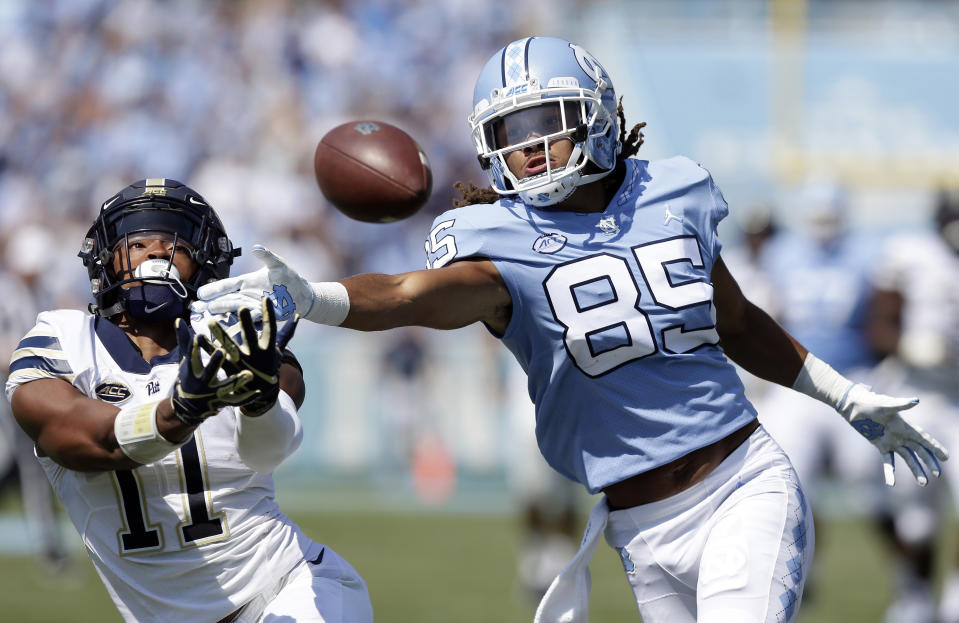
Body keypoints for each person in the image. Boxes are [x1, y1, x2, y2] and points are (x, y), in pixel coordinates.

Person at [194, 37, 946, 623]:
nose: (525, 147)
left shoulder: (674, 190)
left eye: (542, 124)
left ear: (598, 114)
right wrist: (314, 298)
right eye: (507, 132)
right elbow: (408, 293)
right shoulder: (495, 238)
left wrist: (844, 396)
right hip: (638, 521)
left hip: (741, 483)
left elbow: (738, 321)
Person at [6, 179, 373, 623]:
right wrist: (181, 410)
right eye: (138, 242)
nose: (156, 254)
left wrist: (259, 401)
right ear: (104, 259)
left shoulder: (242, 336)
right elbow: (87, 443)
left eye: (172, 244)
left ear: (205, 263)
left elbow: (268, 452)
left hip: (288, 589)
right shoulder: (63, 342)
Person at [753, 181, 883, 599]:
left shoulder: (868, 254)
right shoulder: (781, 256)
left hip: (855, 378)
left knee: (875, 483)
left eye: (829, 216)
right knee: (786, 485)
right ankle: (799, 574)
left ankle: (911, 583)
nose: (823, 226)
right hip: (797, 384)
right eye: (817, 216)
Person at [867, 188, 959, 623]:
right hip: (915, 396)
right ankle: (917, 597)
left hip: (958, 398)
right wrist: (908, 346)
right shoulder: (910, 255)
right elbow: (878, 325)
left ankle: (954, 600)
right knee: (916, 520)